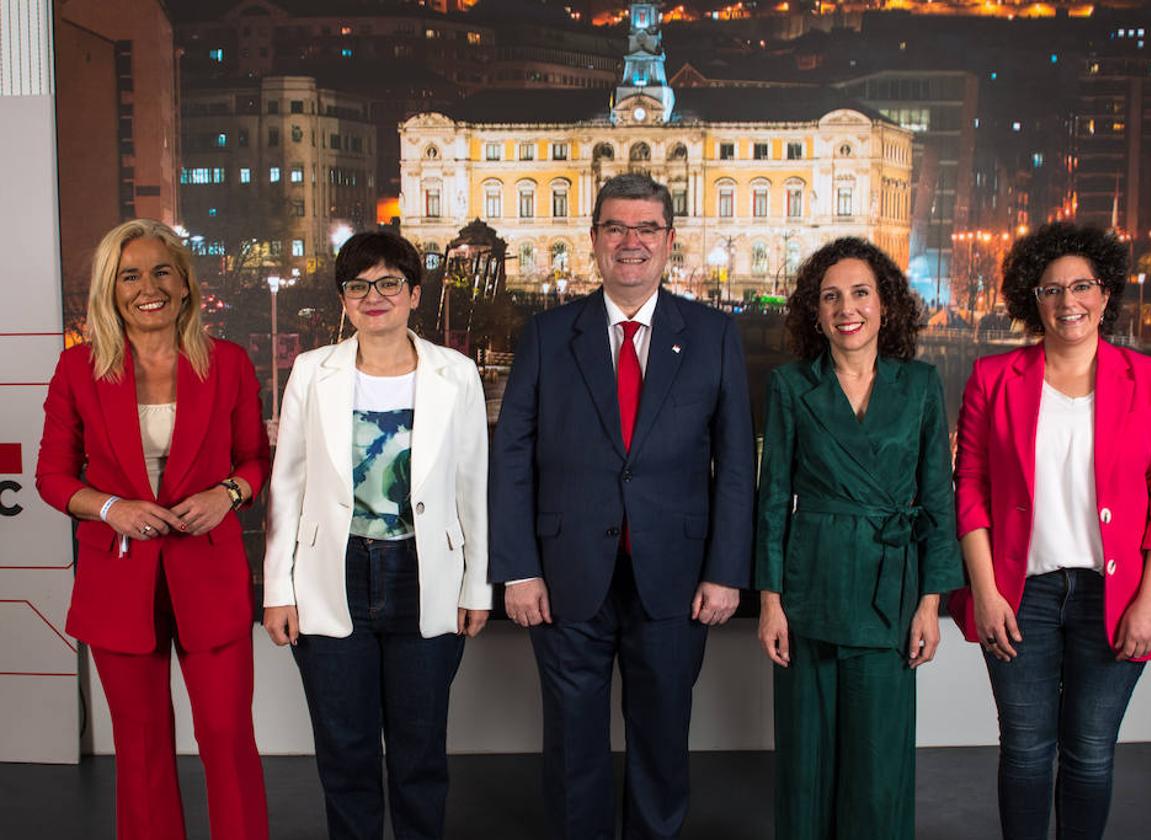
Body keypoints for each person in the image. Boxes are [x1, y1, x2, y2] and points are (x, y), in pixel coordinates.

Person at [489, 173, 756, 839]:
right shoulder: (549, 335)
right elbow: (512, 455)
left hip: (677, 577)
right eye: (615, 227)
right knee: (572, 745)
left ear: (670, 242)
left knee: (662, 741)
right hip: (564, 574)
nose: (630, 242)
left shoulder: (714, 334)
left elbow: (734, 465)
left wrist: (726, 571)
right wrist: (517, 569)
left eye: (645, 229)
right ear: (594, 241)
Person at [950, 222, 1151, 840]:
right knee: (1026, 751)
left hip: (1116, 597)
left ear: (1105, 292)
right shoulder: (992, 378)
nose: (1067, 302)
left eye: (1081, 286)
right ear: (1032, 299)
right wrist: (985, 592)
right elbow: (970, 489)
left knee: (1090, 752)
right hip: (1018, 595)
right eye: (1051, 289)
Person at [35, 220, 270, 840]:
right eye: (130, 275)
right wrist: (113, 508)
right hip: (118, 578)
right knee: (139, 748)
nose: (149, 287)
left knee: (227, 737)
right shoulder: (76, 371)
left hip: (210, 574)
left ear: (186, 285)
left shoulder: (229, 364)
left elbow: (255, 460)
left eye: (162, 271)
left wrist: (229, 494)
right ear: (111, 291)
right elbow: (53, 479)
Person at [263, 231, 490, 840]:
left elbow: (473, 486)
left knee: (419, 754)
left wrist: (478, 586)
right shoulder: (313, 372)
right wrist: (277, 589)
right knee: (346, 754)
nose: (374, 296)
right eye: (358, 286)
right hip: (331, 575)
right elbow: (287, 485)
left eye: (389, 283)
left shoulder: (456, 374)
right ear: (344, 300)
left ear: (415, 294)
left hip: (426, 574)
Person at [755, 237, 963, 840]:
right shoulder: (792, 386)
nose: (848, 308)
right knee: (806, 762)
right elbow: (773, 503)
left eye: (861, 293)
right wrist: (770, 601)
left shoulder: (921, 385)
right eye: (831, 296)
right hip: (808, 589)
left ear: (886, 305)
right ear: (815, 313)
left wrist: (930, 602)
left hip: (890, 595)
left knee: (878, 764)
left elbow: (937, 501)